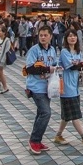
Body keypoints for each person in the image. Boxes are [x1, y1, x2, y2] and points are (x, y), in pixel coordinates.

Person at [53, 30, 83, 146]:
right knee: (74, 114)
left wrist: (80, 65)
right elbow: (72, 67)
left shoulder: (78, 52)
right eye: (70, 36)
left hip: (75, 86)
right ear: (66, 39)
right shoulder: (64, 52)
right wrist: (80, 65)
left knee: (67, 115)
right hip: (66, 87)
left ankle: (58, 135)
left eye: (74, 36)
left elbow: (80, 66)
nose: (72, 38)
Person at [25, 24, 59, 154]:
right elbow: (29, 68)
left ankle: (37, 140)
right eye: (41, 35)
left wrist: (56, 69)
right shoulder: (34, 50)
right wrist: (46, 69)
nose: (43, 38)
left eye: (45, 35)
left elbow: (54, 64)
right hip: (35, 86)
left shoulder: (52, 50)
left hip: (47, 87)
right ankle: (34, 140)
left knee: (41, 113)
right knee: (46, 112)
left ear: (50, 36)